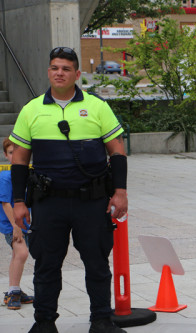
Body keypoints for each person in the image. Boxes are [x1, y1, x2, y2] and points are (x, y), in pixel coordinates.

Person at [9, 47, 128, 333]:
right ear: (48, 72)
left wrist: (120, 192)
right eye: (54, 68)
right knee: (46, 266)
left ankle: (101, 321)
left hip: (91, 201)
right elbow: (20, 160)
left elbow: (118, 151)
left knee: (97, 264)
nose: (59, 73)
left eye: (65, 68)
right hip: (49, 203)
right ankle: (44, 323)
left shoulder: (98, 107)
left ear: (77, 74)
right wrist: (17, 201)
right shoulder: (32, 109)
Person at [0, 138, 34, 310]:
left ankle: (15, 290)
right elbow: (5, 203)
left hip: (25, 225)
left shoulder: (27, 175)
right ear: (6, 156)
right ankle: (12, 292)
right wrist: (15, 226)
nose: (15, 156)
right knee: (21, 253)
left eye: (18, 152)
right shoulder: (6, 176)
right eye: (11, 152)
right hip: (12, 225)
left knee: (17, 255)